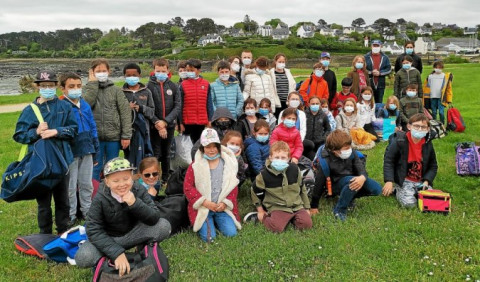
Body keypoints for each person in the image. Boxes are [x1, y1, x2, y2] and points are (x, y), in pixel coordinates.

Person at [75, 157, 171, 270]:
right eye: (115, 181)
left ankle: (142, 247)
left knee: (164, 226)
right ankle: (109, 259)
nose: (122, 184)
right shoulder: (100, 197)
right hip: (110, 238)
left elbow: (154, 217)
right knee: (83, 257)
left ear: (132, 177)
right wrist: (116, 252)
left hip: (134, 233)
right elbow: (93, 229)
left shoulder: (138, 189)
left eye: (126, 179)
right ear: (107, 182)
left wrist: (135, 203)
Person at [14, 70, 78, 234]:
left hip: (62, 159)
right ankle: (45, 233)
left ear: (56, 86)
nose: (47, 88)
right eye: (44, 86)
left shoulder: (65, 106)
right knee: (43, 202)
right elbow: (19, 135)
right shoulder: (30, 110)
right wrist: (35, 132)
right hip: (40, 162)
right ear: (37, 87)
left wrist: (57, 131)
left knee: (63, 199)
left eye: (50, 85)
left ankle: (63, 230)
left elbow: (73, 129)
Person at [183, 128, 242, 242]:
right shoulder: (195, 165)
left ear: (219, 146)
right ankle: (208, 220)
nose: (211, 150)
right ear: (202, 148)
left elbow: (232, 184)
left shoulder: (227, 163)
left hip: (221, 207)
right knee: (209, 238)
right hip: (204, 207)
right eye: (208, 147)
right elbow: (188, 187)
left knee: (231, 234)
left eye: (214, 146)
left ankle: (219, 219)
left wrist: (225, 203)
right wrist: (204, 202)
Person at [311, 130, 382, 220]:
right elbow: (319, 184)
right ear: (334, 150)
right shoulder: (325, 161)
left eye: (349, 147)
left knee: (376, 189)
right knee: (352, 182)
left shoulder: (352, 152)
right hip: (334, 184)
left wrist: (362, 177)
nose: (349, 150)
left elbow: (360, 167)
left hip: (352, 179)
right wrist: (314, 206)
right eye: (345, 149)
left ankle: (348, 197)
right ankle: (339, 210)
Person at [59, 72, 98, 226]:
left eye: (78, 86)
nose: (76, 89)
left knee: (86, 183)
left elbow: (92, 127)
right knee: (70, 185)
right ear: (63, 88)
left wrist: (95, 149)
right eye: (71, 86)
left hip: (87, 149)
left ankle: (87, 212)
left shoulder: (85, 104)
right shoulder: (61, 106)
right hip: (71, 152)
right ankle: (71, 215)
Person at [248, 141, 312, 233]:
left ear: (289, 158)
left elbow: (302, 189)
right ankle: (261, 218)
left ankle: (291, 219)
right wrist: (260, 210)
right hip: (277, 206)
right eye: (276, 157)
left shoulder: (295, 169)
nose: (280, 160)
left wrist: (306, 207)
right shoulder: (264, 175)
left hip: (296, 205)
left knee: (306, 225)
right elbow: (255, 192)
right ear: (270, 157)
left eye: (283, 158)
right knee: (276, 228)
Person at [84, 59, 132, 181]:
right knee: (95, 166)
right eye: (98, 71)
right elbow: (86, 105)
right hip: (95, 138)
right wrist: (93, 85)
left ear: (109, 71)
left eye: (103, 71)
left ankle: (111, 192)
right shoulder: (87, 90)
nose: (101, 73)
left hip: (113, 137)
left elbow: (125, 112)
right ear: (92, 73)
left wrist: (126, 135)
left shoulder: (116, 90)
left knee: (112, 166)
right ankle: (94, 194)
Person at [382, 114, 438, 208]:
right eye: (416, 126)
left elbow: (433, 166)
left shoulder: (428, 143)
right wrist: (389, 180)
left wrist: (427, 181)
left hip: (421, 180)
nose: (419, 129)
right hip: (404, 179)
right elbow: (389, 161)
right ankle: (397, 189)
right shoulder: (399, 141)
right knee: (410, 205)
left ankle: (415, 190)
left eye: (423, 127)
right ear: (409, 126)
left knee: (430, 202)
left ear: (428, 129)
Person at [147, 58, 181, 183]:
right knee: (155, 153)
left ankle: (165, 179)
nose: (160, 73)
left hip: (169, 125)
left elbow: (177, 106)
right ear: (154, 70)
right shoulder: (148, 86)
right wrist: (157, 123)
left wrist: (166, 122)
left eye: (163, 71)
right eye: (158, 70)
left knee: (166, 153)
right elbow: (148, 108)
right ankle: (154, 179)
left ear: (168, 71)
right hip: (154, 126)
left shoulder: (173, 86)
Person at [122, 63, 155, 170]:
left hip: (144, 130)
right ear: (125, 76)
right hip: (127, 131)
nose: (131, 77)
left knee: (144, 155)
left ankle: (143, 177)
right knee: (128, 155)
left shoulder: (147, 92)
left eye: (134, 75)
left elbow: (152, 111)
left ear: (139, 75)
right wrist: (127, 108)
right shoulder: (120, 92)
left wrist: (141, 108)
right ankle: (130, 177)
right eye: (128, 75)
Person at [179, 59, 213, 144]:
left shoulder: (206, 84)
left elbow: (209, 103)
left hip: (201, 121)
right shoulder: (183, 85)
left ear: (198, 70)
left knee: (200, 144)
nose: (189, 72)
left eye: (192, 70)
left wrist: (210, 119)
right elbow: (180, 104)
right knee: (187, 147)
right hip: (187, 121)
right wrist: (180, 122)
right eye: (188, 70)